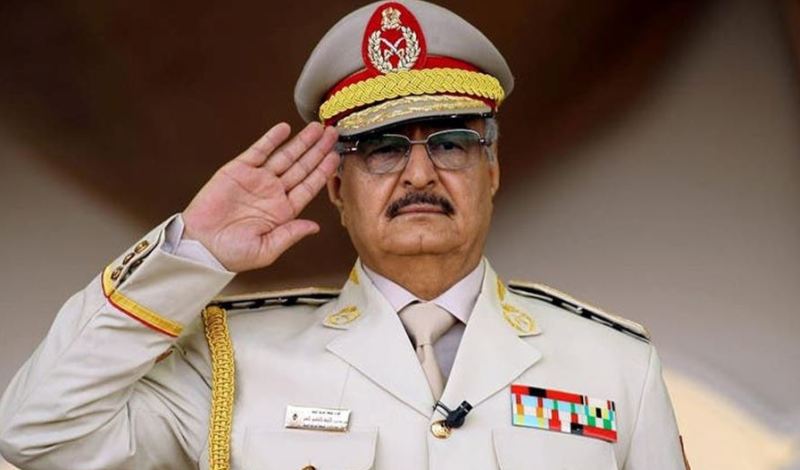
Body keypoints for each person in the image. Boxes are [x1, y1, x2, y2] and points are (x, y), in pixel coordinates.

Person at [0, 1, 689, 469]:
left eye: (451, 143)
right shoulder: (234, 361)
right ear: (336, 188)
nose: (419, 172)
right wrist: (192, 253)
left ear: (492, 171)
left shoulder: (613, 366)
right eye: (382, 149)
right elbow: (38, 429)